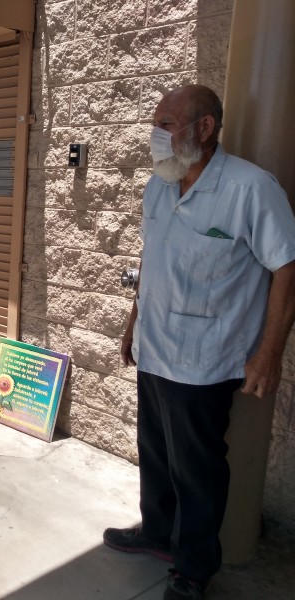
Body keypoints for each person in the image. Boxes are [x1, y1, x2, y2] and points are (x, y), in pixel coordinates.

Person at [103, 84, 295, 600]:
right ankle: (157, 531)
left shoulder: (250, 189)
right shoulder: (158, 186)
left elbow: (286, 267)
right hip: (154, 348)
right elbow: (152, 261)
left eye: (166, 124)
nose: (155, 135)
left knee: (198, 470)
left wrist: (269, 353)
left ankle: (193, 568)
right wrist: (132, 321)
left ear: (205, 129)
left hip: (204, 361)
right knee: (156, 453)